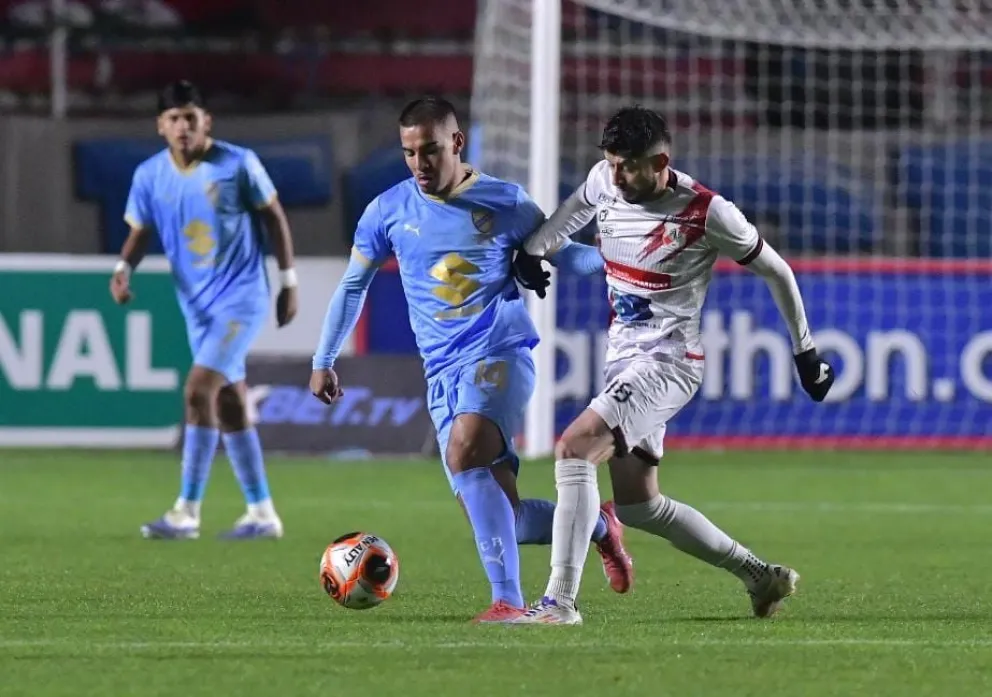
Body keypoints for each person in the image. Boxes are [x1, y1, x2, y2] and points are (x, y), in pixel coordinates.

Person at [309, 96, 633, 623]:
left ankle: (508, 602)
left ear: (456, 142)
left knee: (464, 452)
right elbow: (352, 286)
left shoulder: (506, 202)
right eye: (409, 153)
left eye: (430, 150)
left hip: (499, 354)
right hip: (440, 374)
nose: (419, 164)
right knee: (506, 518)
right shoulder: (387, 210)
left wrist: (623, 256)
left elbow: (565, 254)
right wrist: (323, 358)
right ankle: (599, 525)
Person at [511, 105, 836, 625]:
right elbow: (572, 212)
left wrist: (805, 351)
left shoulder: (707, 212)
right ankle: (759, 576)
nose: (616, 176)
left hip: (668, 362)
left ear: (660, 162)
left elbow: (778, 271)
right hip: (623, 361)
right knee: (639, 507)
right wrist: (534, 250)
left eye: (628, 166)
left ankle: (559, 603)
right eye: (611, 163)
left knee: (574, 449)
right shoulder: (605, 181)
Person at [111, 80, 299, 540]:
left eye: (190, 118)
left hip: (242, 298)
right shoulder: (150, 176)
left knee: (198, 391)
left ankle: (186, 511)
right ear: (160, 125)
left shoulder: (238, 164)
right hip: (195, 305)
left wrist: (288, 282)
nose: (183, 127)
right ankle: (262, 514)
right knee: (230, 404)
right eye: (174, 118)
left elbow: (274, 217)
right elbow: (141, 229)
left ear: (206, 121)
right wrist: (123, 268)